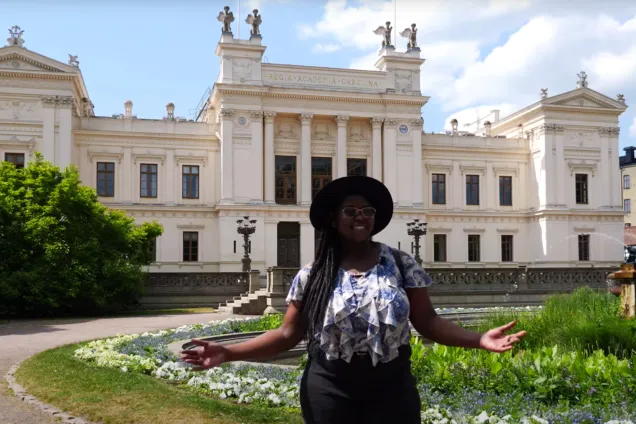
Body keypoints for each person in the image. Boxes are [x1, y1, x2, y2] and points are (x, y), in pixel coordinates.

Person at [181, 176, 527, 424]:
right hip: (330, 387)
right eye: (350, 211)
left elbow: (428, 323)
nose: (360, 217)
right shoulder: (314, 273)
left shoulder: (402, 265)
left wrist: (479, 339)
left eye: (367, 211)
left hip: (392, 387)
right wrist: (228, 351)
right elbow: (288, 335)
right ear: (334, 218)